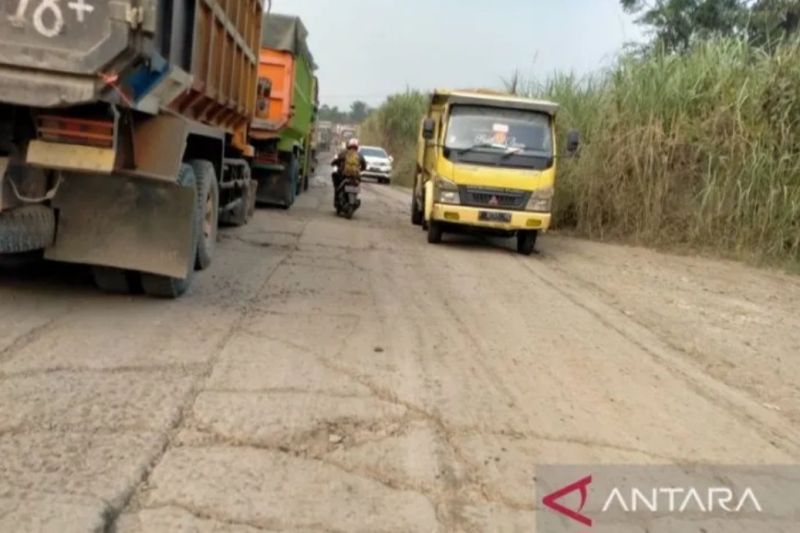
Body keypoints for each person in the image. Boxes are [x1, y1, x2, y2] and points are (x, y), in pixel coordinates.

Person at [331, 138, 366, 208]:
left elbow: (336, 160)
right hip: (355, 177)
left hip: (344, 176)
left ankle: (336, 199)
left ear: (348, 146)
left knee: (335, 181)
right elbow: (364, 166)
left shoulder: (344, 153)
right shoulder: (360, 155)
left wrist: (333, 163)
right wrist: (359, 170)